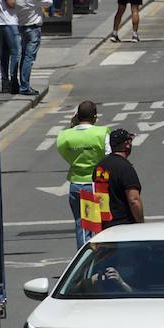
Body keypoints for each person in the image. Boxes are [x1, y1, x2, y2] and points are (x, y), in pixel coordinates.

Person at [56, 101, 111, 248]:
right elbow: (109, 156)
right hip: (96, 185)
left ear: (77, 116)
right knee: (98, 225)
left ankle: (83, 260)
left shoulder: (65, 136)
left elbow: (64, 153)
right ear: (94, 117)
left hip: (75, 184)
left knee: (81, 226)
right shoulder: (102, 132)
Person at [12, 0, 51, 96]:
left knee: (24, 56)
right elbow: (48, 2)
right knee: (29, 57)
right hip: (33, 29)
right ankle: (25, 86)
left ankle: (22, 83)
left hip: (23, 27)